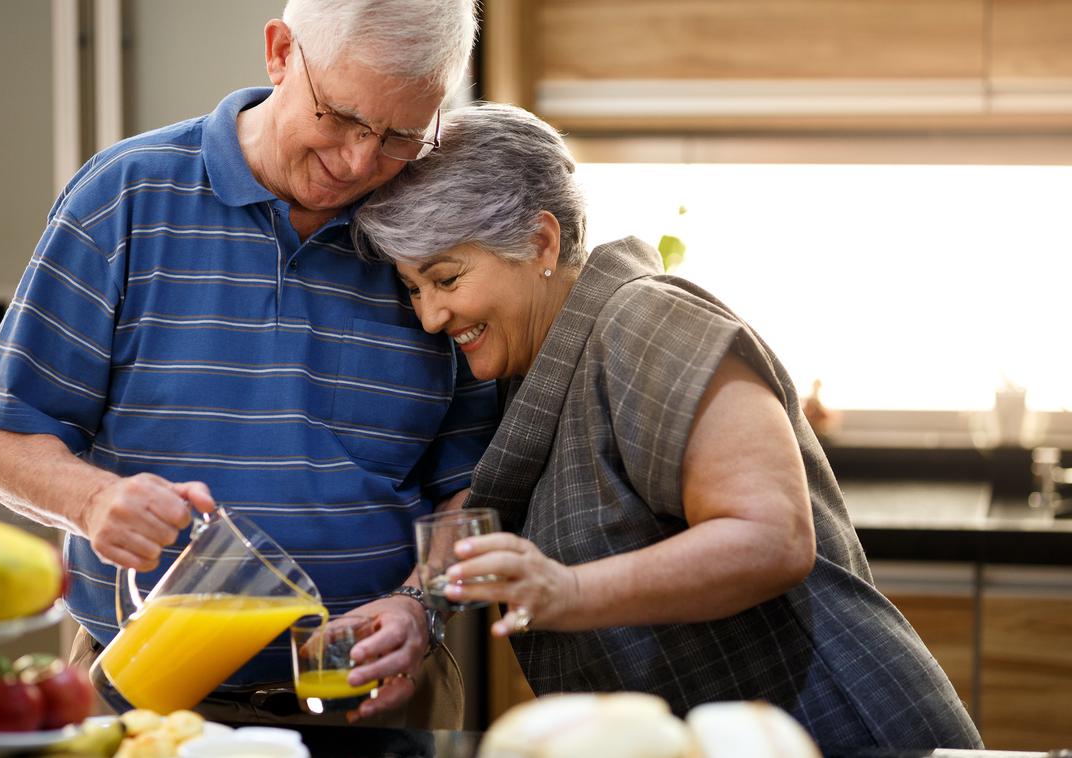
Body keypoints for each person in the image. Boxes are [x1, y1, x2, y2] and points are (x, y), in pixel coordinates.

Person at [351, 102, 983, 749]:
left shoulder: (647, 320)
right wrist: (415, 608)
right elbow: (487, 507)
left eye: (446, 278)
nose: (430, 316)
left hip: (839, 729)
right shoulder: (530, 369)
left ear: (541, 242)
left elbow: (772, 537)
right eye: (413, 289)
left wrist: (565, 590)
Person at [0, 0, 496, 727]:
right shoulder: (125, 196)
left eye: (400, 136)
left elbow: (478, 492)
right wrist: (91, 501)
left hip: (372, 706)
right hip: (145, 701)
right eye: (338, 117)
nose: (359, 162)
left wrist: (422, 605)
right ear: (278, 53)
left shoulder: (435, 240)